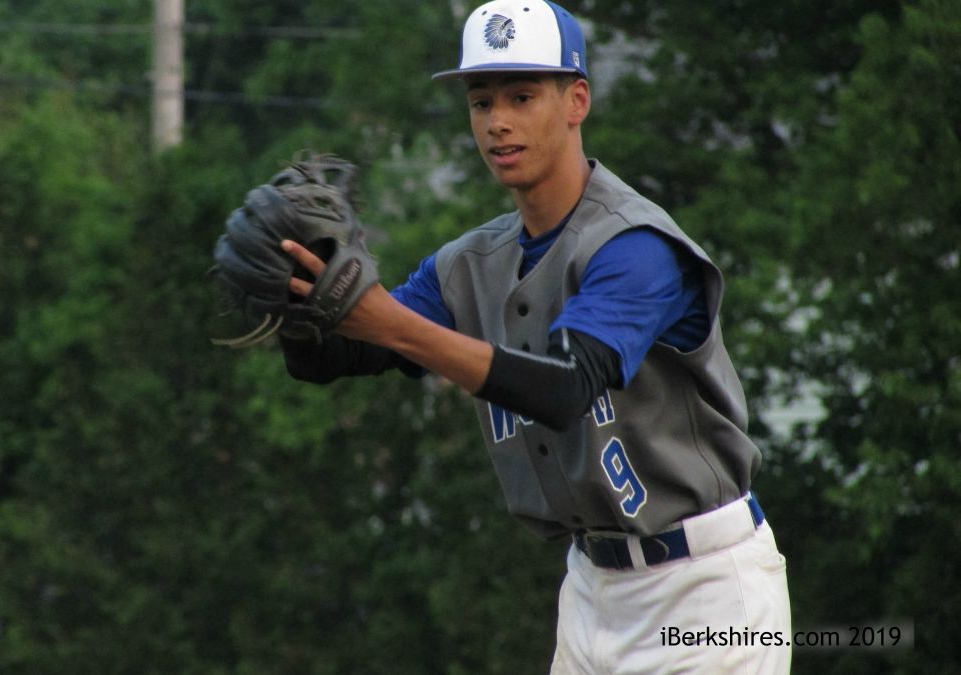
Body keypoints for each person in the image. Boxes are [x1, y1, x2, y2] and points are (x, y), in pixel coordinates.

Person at [277, 1, 792, 672]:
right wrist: (295, 294)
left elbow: (565, 389)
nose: (497, 121)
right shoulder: (469, 263)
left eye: (521, 96)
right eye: (481, 101)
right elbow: (337, 356)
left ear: (577, 100)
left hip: (706, 589)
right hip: (590, 589)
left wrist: (388, 320)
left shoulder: (636, 246)